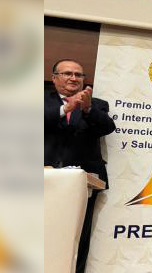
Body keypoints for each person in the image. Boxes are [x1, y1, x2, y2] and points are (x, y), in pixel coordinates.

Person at [44, 58, 116, 273]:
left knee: (79, 235)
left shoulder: (96, 104)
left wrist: (87, 109)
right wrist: (66, 108)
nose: (73, 78)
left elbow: (107, 127)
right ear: (54, 77)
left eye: (78, 75)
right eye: (67, 73)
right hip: (44, 178)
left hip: (84, 182)